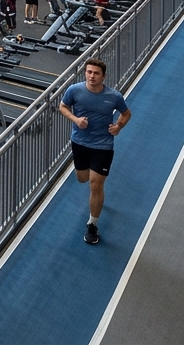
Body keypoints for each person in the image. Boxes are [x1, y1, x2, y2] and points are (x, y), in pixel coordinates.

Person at [58, 58, 130, 245]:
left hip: (103, 145)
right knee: (82, 178)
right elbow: (63, 106)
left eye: (96, 73)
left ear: (103, 76)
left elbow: (126, 113)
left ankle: (92, 224)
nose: (92, 76)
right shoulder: (74, 90)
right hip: (80, 143)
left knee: (95, 184)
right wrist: (75, 120)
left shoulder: (113, 96)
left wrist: (118, 127)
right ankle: (95, 199)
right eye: (89, 72)